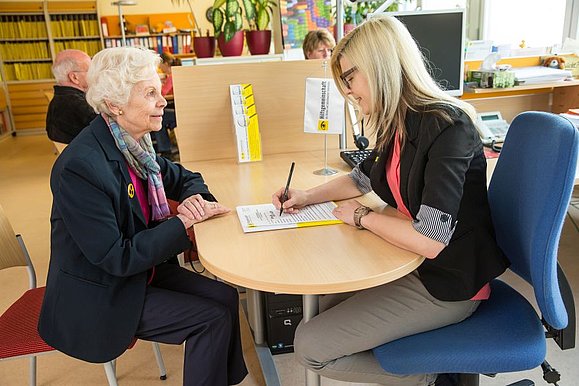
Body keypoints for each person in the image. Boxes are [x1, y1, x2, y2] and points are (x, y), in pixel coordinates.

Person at [273, 15, 510, 386]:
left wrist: (362, 217)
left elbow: (431, 240)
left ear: (378, 67)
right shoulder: (400, 123)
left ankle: (432, 378)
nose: (349, 91)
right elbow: (359, 178)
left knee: (309, 347)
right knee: (320, 305)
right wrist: (305, 195)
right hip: (408, 263)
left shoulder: (448, 128)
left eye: (350, 78)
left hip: (447, 281)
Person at [38, 47, 248, 386]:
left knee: (224, 297)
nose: (163, 100)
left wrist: (196, 200)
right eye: (150, 92)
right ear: (115, 103)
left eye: (159, 89)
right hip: (102, 292)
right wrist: (183, 223)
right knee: (209, 319)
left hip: (141, 271)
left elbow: (185, 177)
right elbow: (115, 258)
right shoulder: (81, 167)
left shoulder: (134, 147)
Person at [46, 49, 97, 144]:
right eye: (90, 70)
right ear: (74, 77)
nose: (94, 75)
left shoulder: (62, 98)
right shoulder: (76, 104)